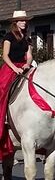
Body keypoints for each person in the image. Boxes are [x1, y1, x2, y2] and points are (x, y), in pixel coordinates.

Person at [0, 10, 33, 162]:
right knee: (2, 91)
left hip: (24, 66)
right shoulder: (8, 37)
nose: (24, 23)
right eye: (21, 21)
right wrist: (15, 68)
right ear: (15, 23)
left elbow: (29, 55)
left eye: (25, 20)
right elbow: (5, 56)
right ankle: (4, 118)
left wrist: (27, 64)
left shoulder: (27, 38)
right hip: (11, 68)